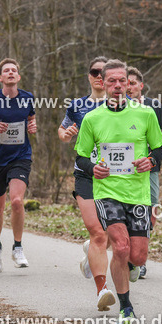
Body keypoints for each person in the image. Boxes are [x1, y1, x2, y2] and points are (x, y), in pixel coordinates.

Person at [74, 59, 162, 324]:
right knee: (121, 246)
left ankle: (130, 268)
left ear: (128, 84)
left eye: (121, 81)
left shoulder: (145, 114)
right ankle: (126, 306)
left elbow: (159, 149)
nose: (116, 86)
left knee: (137, 256)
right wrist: (93, 169)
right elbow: (80, 157)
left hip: (138, 194)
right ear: (103, 83)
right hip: (107, 192)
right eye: (111, 81)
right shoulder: (92, 119)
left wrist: (151, 161)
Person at [59, 56, 115, 310]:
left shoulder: (122, 106)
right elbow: (62, 131)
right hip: (86, 174)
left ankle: (89, 255)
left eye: (105, 72)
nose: (100, 76)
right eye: (95, 71)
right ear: (89, 75)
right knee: (98, 234)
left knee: (111, 234)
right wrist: (67, 134)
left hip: (117, 176)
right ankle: (102, 289)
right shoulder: (78, 105)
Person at [0, 58, 37, 272]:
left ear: (18, 77)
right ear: (0, 77)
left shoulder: (28, 98)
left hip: (20, 156)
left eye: (14, 70)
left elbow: (31, 119)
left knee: (18, 201)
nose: (10, 73)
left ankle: (18, 247)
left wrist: (32, 125)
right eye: (6, 71)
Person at [126, 67, 162, 278]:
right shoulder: (116, 108)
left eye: (133, 83)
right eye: (126, 83)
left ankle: (140, 252)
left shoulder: (153, 106)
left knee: (151, 207)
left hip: (150, 167)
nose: (129, 87)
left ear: (141, 86)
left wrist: (153, 155)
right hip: (123, 168)